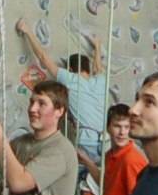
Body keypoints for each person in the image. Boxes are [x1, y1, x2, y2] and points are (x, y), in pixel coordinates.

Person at [15, 17, 107, 174]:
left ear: (70, 69)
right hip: (105, 142)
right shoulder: (101, 81)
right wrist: (97, 47)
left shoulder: (70, 79)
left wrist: (27, 31)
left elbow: (43, 58)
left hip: (85, 142)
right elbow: (98, 67)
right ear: (88, 70)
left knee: (77, 178)